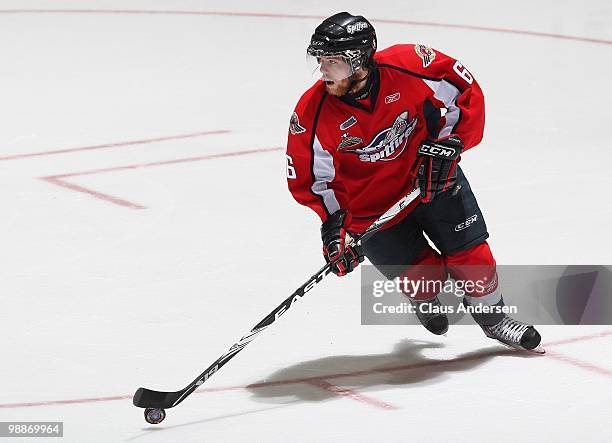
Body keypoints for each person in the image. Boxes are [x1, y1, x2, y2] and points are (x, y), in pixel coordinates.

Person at [285, 12, 542, 352]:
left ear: (359, 60)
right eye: (320, 60)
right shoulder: (311, 113)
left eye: (331, 61)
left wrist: (451, 143)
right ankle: (425, 296)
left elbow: (463, 91)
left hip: (433, 181)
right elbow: (313, 181)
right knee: (425, 278)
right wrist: (335, 227)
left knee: (474, 261)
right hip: (373, 211)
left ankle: (494, 321)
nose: (322, 70)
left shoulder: (410, 64)